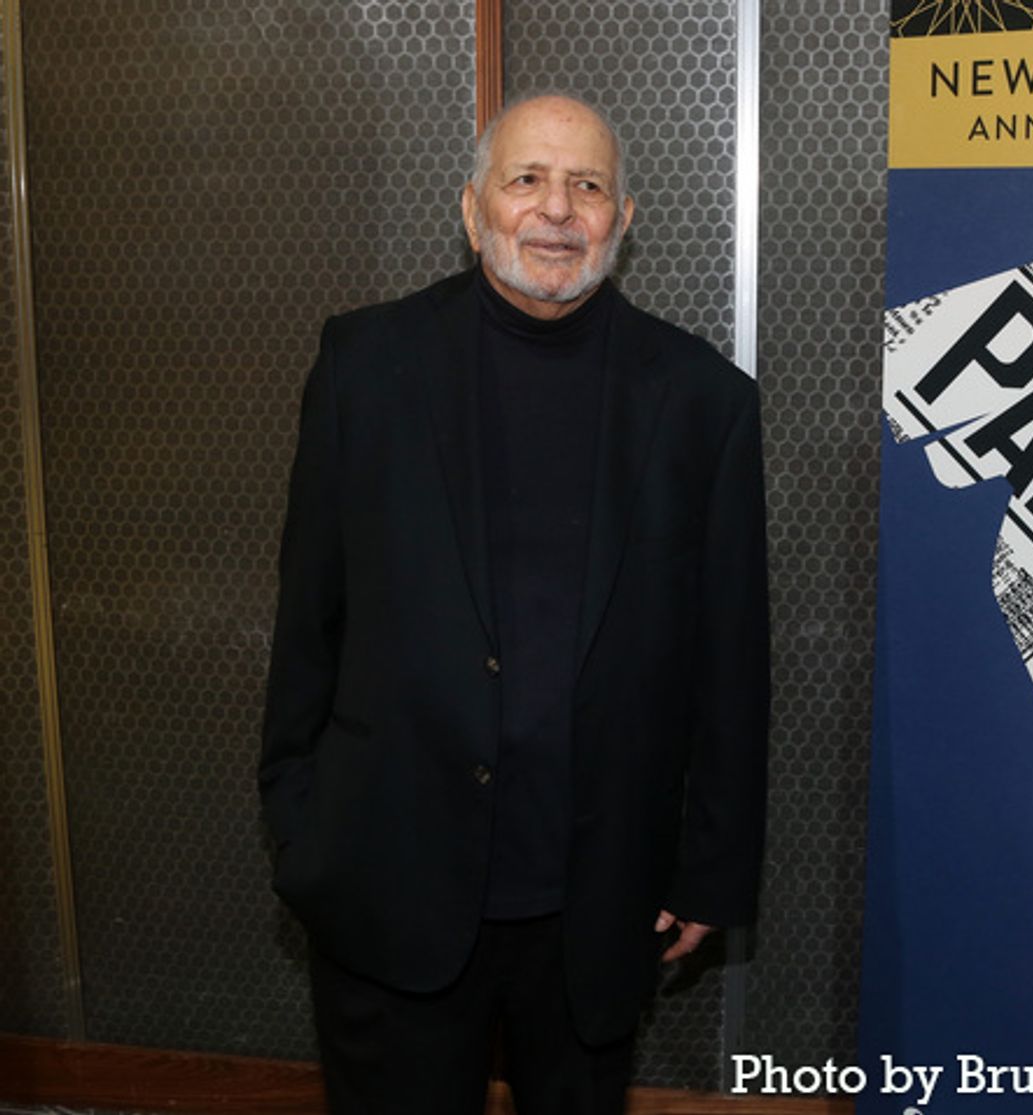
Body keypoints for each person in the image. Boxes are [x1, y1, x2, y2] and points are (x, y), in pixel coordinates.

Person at [257, 94, 769, 1115]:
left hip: (596, 899)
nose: (555, 209)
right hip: (386, 880)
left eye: (587, 186)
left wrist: (710, 869)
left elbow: (731, 656)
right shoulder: (365, 365)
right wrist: (297, 822)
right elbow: (309, 613)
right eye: (525, 178)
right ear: (472, 205)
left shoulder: (703, 400)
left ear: (623, 220)